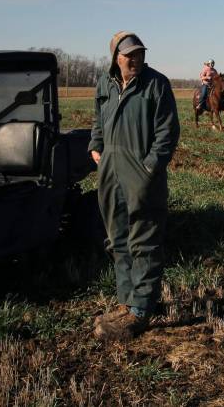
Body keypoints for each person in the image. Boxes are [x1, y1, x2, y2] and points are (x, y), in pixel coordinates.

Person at [89, 31, 181, 341]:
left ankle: (141, 309)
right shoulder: (105, 84)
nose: (136, 59)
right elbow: (98, 120)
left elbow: (167, 132)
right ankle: (126, 301)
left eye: (140, 53)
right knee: (117, 239)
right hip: (110, 172)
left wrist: (149, 167)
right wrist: (96, 146)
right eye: (130, 55)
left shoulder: (156, 84)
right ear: (116, 57)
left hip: (142, 175)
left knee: (144, 240)